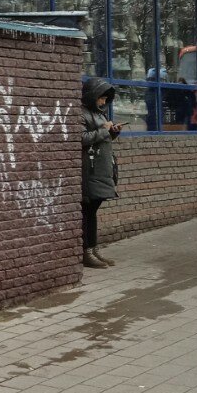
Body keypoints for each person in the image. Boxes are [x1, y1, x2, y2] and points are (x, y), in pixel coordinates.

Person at [81, 76, 121, 269]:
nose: (104, 102)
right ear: (92, 96)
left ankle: (93, 248)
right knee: (88, 211)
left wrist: (113, 132)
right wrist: (105, 130)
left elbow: (102, 138)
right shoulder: (82, 114)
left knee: (93, 211)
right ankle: (86, 251)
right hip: (90, 170)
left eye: (106, 99)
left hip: (102, 168)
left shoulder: (99, 114)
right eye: (101, 98)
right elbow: (82, 138)